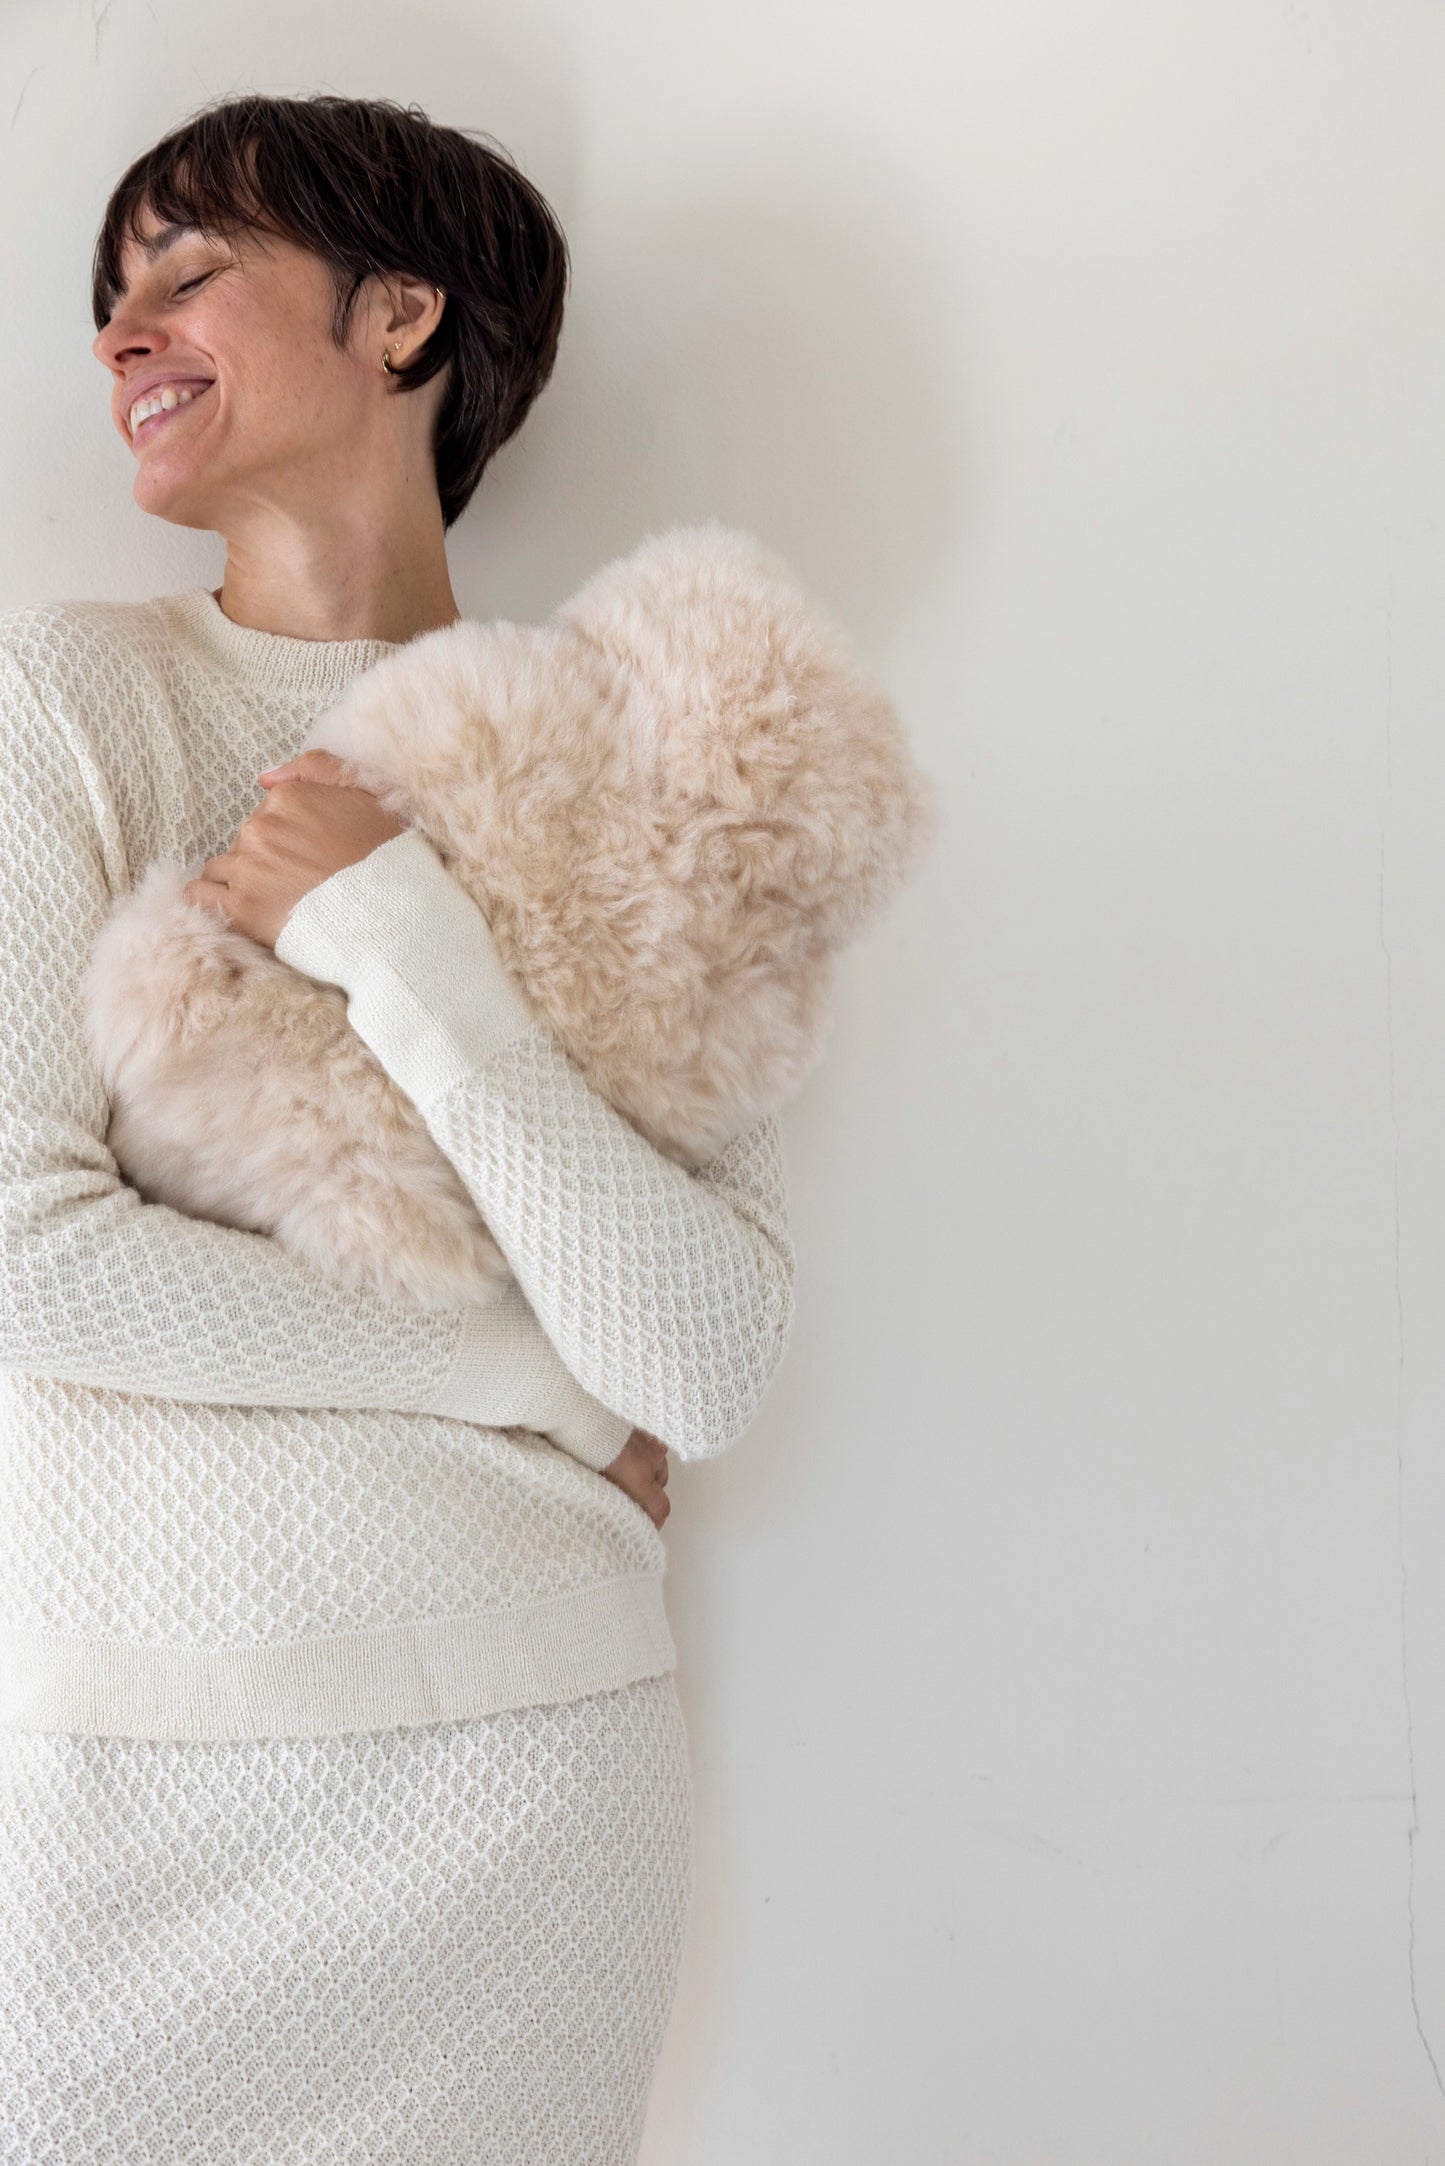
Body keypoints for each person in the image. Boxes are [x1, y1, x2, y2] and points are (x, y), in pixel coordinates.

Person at [0, 92, 795, 2162]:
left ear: (403, 314)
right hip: (125, 1773)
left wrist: (382, 930)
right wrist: (524, 1378)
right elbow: (20, 1251)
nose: (120, 336)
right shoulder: (72, 705)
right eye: (107, 300)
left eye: (186, 272)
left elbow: (705, 1357)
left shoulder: (637, 772)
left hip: (530, 1778)